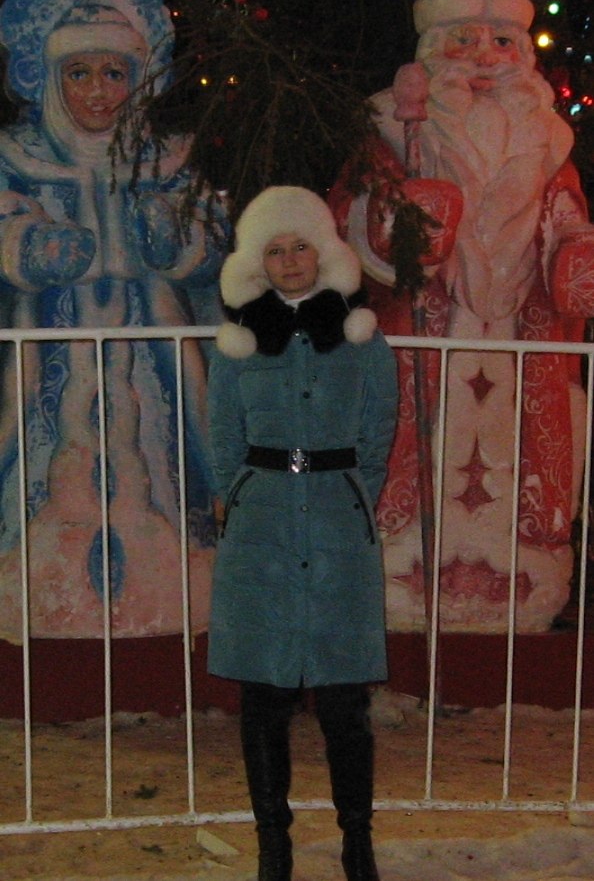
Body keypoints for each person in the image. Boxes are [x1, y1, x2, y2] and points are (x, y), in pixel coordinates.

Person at [329, 0, 594, 633]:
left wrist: (575, 253)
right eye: (464, 38)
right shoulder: (395, 129)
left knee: (515, 462)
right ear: (430, 46)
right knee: (411, 455)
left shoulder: (547, 140)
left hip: (518, 343)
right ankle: (402, 581)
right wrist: (396, 229)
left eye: (502, 39)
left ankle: (519, 584)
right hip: (422, 342)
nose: (484, 54)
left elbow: (565, 219)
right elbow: (349, 223)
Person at [0, 0, 230, 640]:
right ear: (49, 77)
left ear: (139, 78)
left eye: (114, 73)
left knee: (171, 460)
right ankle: (33, 587)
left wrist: (177, 238)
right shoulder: (16, 156)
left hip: (155, 359)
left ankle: (175, 589)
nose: (98, 92)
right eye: (79, 72)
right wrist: (28, 247)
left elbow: (215, 242)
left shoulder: (170, 160)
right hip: (46, 356)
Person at [207, 186, 398, 881]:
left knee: (345, 702)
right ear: (257, 263)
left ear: (325, 252)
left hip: (339, 529)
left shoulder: (363, 342)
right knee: (263, 701)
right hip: (260, 531)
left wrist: (347, 494)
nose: (289, 261)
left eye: (300, 246)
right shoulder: (235, 347)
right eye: (275, 250)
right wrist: (243, 496)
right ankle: (274, 848)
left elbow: (377, 436)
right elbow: (223, 439)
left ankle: (357, 844)